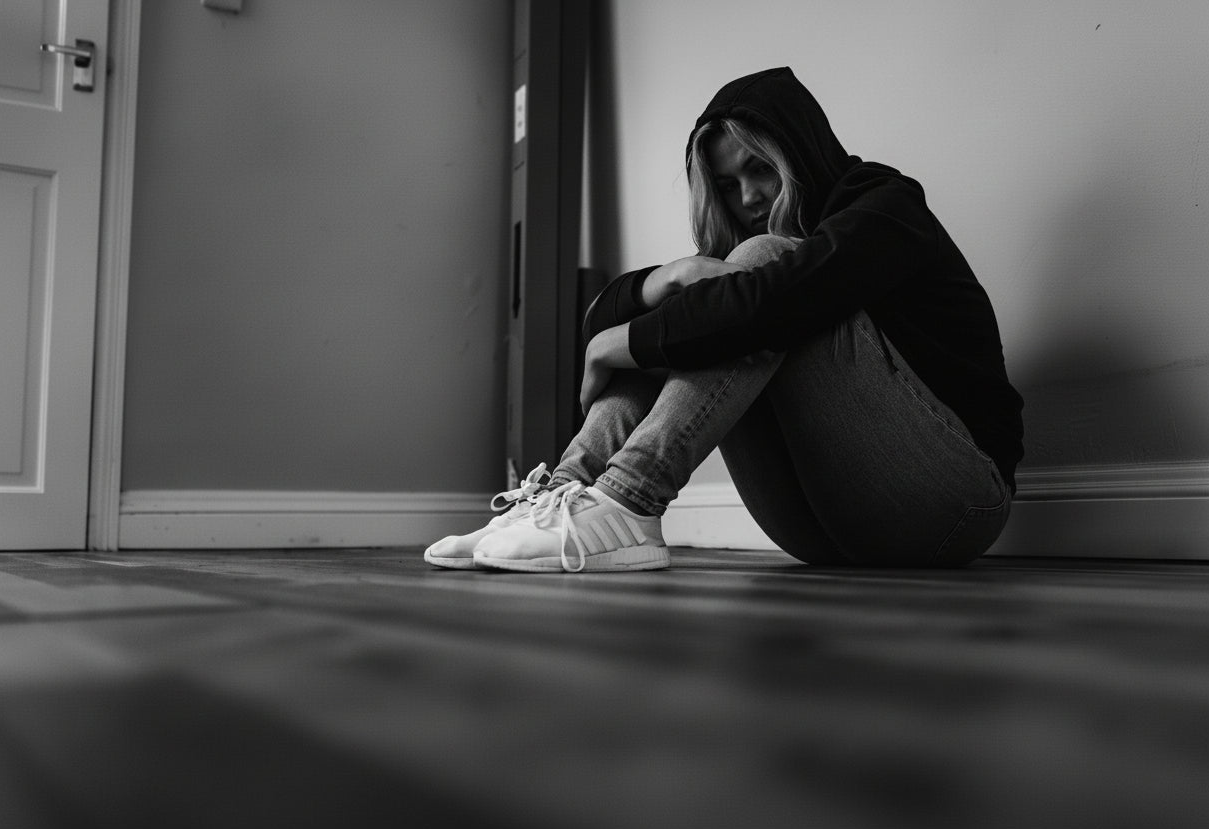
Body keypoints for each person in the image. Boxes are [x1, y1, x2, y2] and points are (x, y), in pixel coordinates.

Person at [425, 66, 1023, 574]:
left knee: (755, 271)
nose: (748, 198)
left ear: (800, 153)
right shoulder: (744, 258)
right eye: (727, 185)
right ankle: (564, 495)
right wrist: (668, 278)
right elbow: (609, 325)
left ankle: (630, 500)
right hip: (821, 529)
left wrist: (619, 341)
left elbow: (769, 301)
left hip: (953, 508)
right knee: (699, 307)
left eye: (760, 169)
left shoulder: (887, 206)